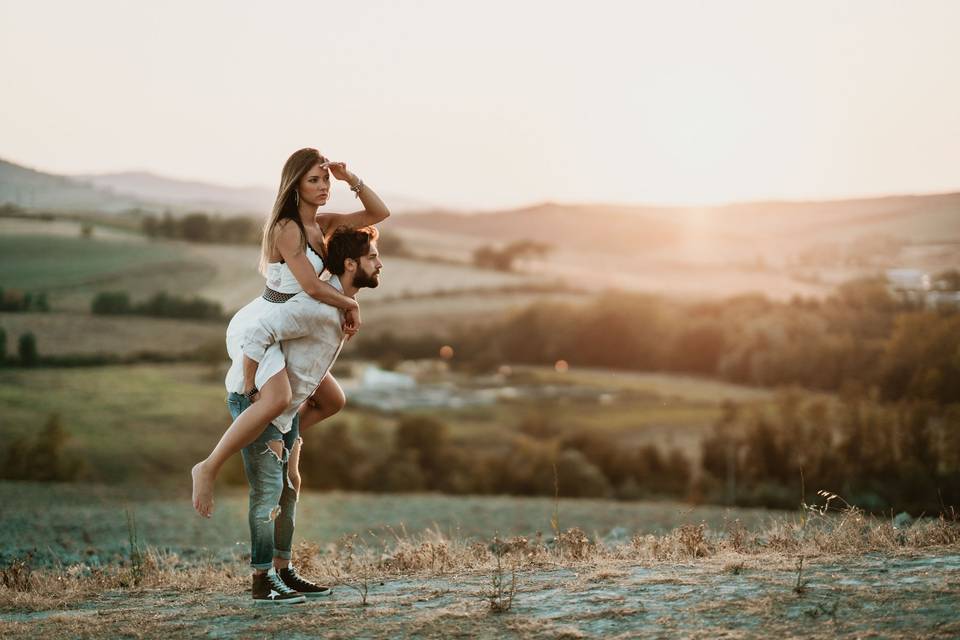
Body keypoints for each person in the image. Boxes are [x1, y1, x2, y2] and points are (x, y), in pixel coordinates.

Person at [191, 147, 389, 519]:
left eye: (325, 179)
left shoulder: (325, 224)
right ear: (295, 184)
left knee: (332, 401)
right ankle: (209, 466)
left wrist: (351, 179)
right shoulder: (287, 228)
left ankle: (283, 437)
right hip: (265, 322)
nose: (323, 186)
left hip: (295, 323)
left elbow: (380, 214)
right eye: (313, 180)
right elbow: (313, 287)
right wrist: (351, 304)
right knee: (278, 396)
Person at [231, 226, 382, 604]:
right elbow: (257, 332)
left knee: (289, 489)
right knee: (267, 495)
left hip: (286, 413)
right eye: (372, 257)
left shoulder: (337, 304)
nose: (380, 263)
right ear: (350, 264)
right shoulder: (316, 306)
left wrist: (293, 426)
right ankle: (262, 582)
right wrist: (252, 392)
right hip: (260, 404)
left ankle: (284, 571)